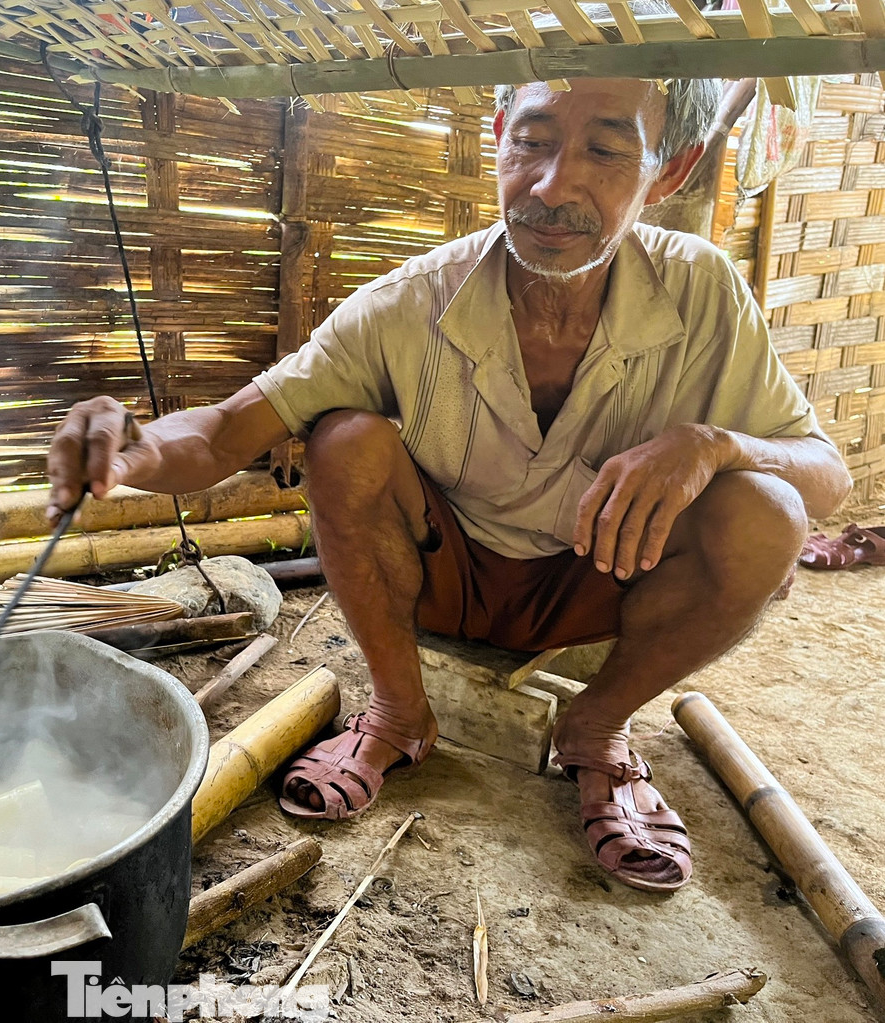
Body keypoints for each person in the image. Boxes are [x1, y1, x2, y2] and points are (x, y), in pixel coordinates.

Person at [44, 77, 853, 893]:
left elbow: (828, 476)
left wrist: (709, 445)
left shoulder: (704, 291)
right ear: (498, 135)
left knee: (767, 508)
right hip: (441, 577)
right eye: (532, 142)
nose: (552, 185)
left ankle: (598, 724)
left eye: (605, 151)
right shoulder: (412, 301)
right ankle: (399, 711)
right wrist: (130, 448)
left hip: (600, 588)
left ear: (669, 172)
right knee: (344, 440)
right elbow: (224, 430)